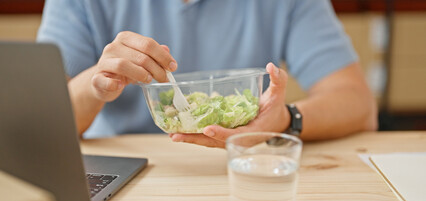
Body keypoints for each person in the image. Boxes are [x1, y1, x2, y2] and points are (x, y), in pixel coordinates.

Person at [37, 0, 377, 148]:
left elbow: (357, 103)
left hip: (241, 169)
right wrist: (97, 84)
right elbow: (41, 124)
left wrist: (283, 121)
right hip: (126, 176)